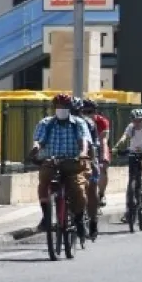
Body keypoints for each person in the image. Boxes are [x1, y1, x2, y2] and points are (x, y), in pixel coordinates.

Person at [29, 93, 91, 235]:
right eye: (58, 106)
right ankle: (46, 216)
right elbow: (39, 140)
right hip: (51, 160)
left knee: (78, 190)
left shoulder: (78, 123)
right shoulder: (46, 123)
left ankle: (79, 219)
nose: (60, 109)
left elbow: (84, 141)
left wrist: (82, 153)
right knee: (44, 181)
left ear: (69, 108)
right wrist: (36, 148)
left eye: (63, 106)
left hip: (72, 161)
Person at [114, 108, 142, 223]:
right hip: (134, 154)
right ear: (132, 120)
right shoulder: (130, 128)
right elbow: (125, 137)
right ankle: (128, 212)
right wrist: (117, 146)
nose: (137, 123)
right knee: (131, 185)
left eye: (140, 120)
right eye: (135, 120)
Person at [71, 98, 103, 238]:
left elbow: (94, 144)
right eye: (72, 111)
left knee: (91, 188)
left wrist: (93, 161)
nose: (75, 114)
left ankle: (93, 221)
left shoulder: (88, 123)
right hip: (67, 159)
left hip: (86, 158)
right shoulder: (59, 123)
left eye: (78, 111)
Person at [81, 98, 111, 207]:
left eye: (90, 112)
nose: (87, 115)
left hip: (98, 147)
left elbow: (104, 141)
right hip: (83, 149)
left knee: (103, 168)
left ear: (95, 111)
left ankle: (102, 194)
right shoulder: (79, 122)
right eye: (84, 112)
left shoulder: (102, 121)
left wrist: (104, 157)